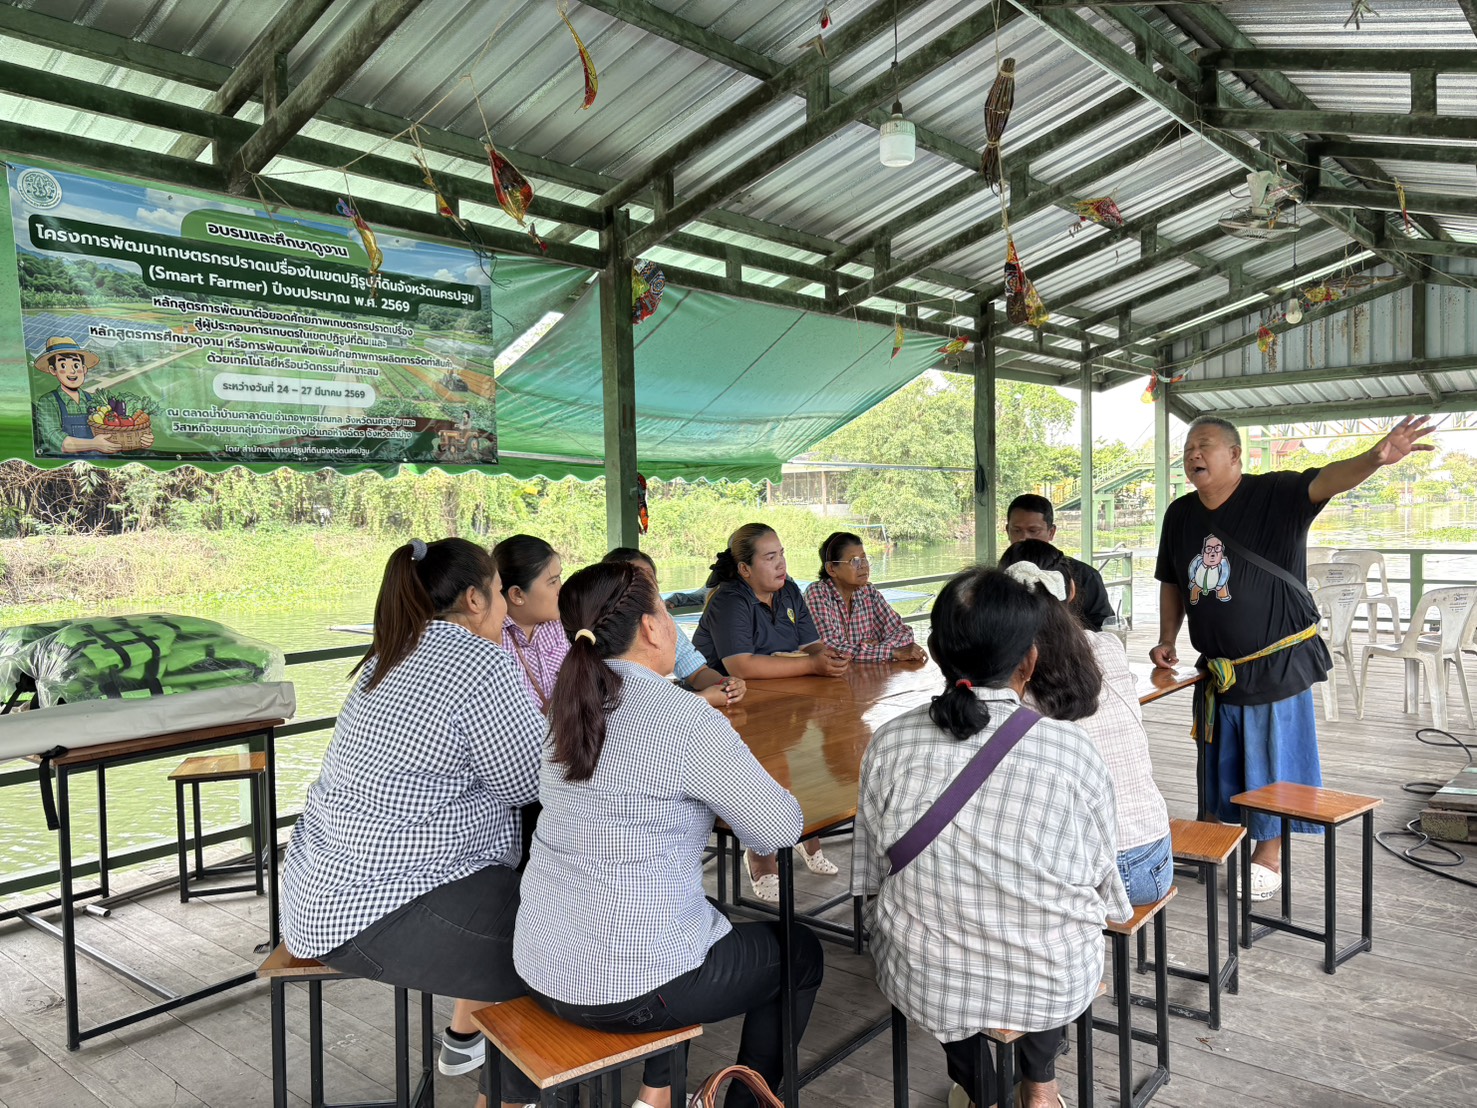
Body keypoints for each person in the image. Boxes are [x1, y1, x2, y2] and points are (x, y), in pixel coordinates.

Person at [514, 561, 825, 1108]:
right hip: (626, 990)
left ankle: (659, 1092)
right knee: (798, 950)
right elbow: (777, 829)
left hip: (540, 964)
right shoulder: (679, 715)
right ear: (654, 626)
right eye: (663, 610)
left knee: (684, 916)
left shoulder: (564, 710)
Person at [281, 538, 546, 1108]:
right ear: (475, 599)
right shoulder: (477, 661)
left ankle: (473, 1044)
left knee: (542, 915)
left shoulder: (389, 654)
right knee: (563, 951)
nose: (504, 608)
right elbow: (529, 782)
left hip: (316, 895)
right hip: (383, 909)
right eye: (500, 594)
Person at [853, 567, 1130, 1108]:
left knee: (936, 951)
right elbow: (1103, 886)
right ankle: (1041, 1088)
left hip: (925, 979)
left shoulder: (887, 744)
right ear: (1030, 660)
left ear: (934, 652)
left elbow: (868, 876)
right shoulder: (1070, 752)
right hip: (1052, 979)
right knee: (1055, 937)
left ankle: (980, 1089)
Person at [1152, 414, 1434, 902]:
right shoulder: (1179, 514)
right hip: (1218, 670)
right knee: (1223, 759)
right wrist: (1166, 637)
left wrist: (1376, 457)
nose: (1193, 455)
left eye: (1206, 446)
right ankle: (1221, 834)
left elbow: (1328, 478)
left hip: (1276, 660)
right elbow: (1173, 581)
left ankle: (1271, 853)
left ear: (1235, 455)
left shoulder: (1274, 495)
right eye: (1188, 448)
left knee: (1273, 759)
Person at [1002, 540, 1174, 904]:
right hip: (1151, 856)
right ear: (1072, 589)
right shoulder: (1109, 647)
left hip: (1088, 871)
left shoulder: (1014, 672)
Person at [693, 522, 850, 897]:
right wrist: (811, 666)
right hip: (729, 708)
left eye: (781, 554)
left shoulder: (790, 591)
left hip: (783, 700)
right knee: (766, 770)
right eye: (769, 557)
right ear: (745, 569)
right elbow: (742, 666)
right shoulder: (730, 599)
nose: (780, 564)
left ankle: (804, 832)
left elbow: (812, 645)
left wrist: (828, 658)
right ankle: (761, 852)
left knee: (813, 755)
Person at [602, 546, 746, 708]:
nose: (646, 586)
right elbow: (628, 704)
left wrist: (726, 683)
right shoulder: (602, 628)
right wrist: (700, 699)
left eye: (650, 578)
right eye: (636, 581)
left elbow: (697, 672)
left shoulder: (662, 621)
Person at [804, 531, 928, 663]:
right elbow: (830, 648)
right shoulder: (818, 593)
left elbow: (904, 632)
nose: (863, 565)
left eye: (864, 558)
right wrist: (890, 652)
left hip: (867, 676)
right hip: (830, 679)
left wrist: (872, 649)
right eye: (854, 561)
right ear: (831, 569)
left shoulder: (867, 591)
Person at [1005, 494, 1113, 632]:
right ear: (1007, 531)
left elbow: (1103, 627)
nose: (1024, 538)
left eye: (1033, 531)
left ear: (1051, 532)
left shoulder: (1085, 576)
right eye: (1016, 530)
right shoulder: (999, 575)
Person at [32, 336, 154, 456]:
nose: (72, 371)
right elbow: (53, 438)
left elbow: (116, 432)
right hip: (69, 465)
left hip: (103, 461)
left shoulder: (95, 400)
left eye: (76, 365)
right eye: (63, 366)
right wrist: (93, 444)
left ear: (84, 369)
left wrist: (141, 439)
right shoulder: (48, 401)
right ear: (53, 370)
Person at [493, 534, 567, 713]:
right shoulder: (494, 640)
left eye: (559, 577)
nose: (561, 588)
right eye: (552, 582)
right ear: (517, 595)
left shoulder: (564, 625)